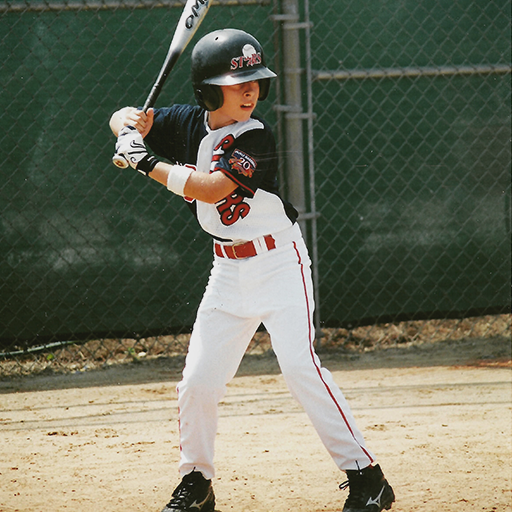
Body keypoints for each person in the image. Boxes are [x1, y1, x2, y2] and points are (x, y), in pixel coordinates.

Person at [110, 28, 395, 512]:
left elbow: (208, 188)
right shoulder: (185, 122)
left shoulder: (256, 135)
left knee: (302, 368)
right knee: (198, 381)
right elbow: (121, 120)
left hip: (279, 262)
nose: (249, 90)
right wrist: (128, 124)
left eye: (254, 81)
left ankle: (367, 478)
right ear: (206, 91)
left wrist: (144, 161)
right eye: (234, 82)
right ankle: (196, 483)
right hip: (227, 272)